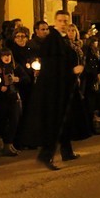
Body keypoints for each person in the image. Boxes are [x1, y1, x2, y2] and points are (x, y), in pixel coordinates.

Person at [20, 11, 83, 170]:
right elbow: (54, 67)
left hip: (63, 87)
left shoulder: (61, 39)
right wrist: (72, 71)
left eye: (66, 21)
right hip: (53, 89)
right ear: (55, 21)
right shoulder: (52, 40)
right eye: (60, 20)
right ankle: (45, 155)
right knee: (54, 122)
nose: (63, 23)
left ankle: (67, 151)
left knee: (65, 119)